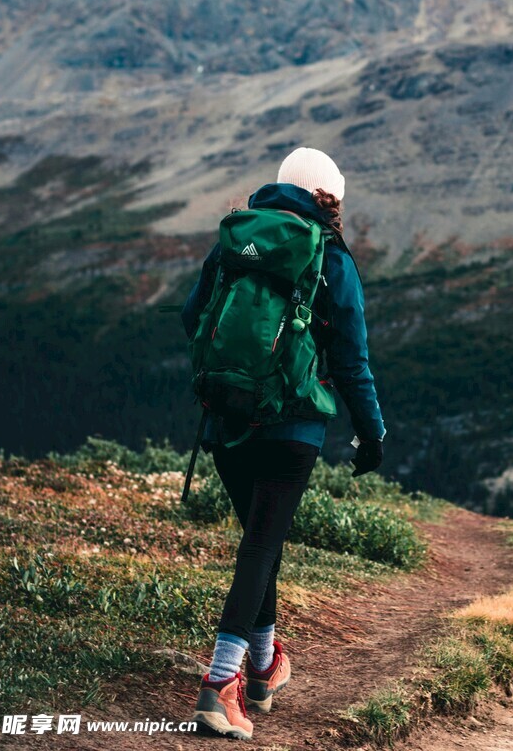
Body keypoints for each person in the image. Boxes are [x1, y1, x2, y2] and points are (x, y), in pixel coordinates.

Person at [181, 147, 386, 740]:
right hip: (292, 428)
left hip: (225, 421)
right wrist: (370, 434)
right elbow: (351, 361)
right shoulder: (329, 255)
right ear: (330, 196)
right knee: (259, 550)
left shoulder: (233, 242)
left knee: (259, 545)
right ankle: (221, 686)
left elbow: (195, 319)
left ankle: (266, 667)